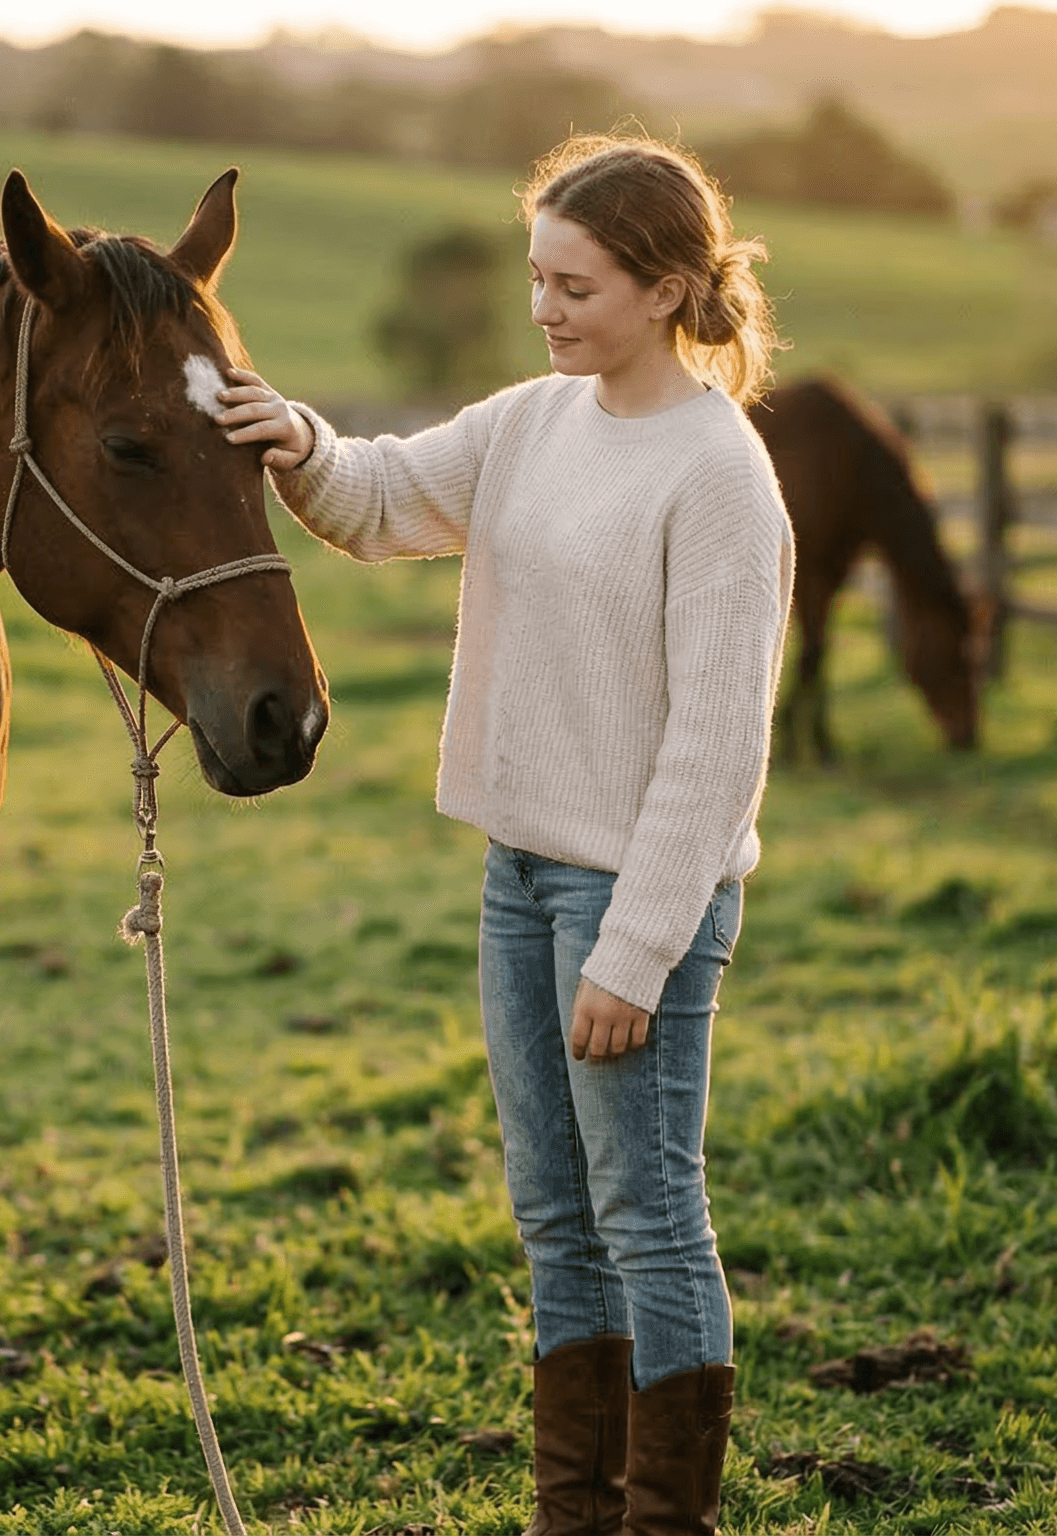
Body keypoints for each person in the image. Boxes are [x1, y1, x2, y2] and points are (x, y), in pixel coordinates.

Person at [211, 134, 791, 1536]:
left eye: (575, 285)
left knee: (646, 1216)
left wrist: (636, 952)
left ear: (664, 289)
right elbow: (384, 494)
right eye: (538, 277)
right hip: (516, 879)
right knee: (554, 1215)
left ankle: (665, 1521)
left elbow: (717, 750)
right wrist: (295, 438)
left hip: (632, 903)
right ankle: (571, 1516)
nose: (545, 307)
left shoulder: (718, 476)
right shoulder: (534, 423)